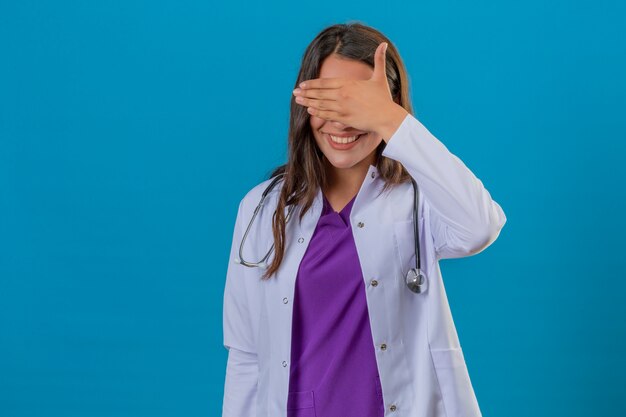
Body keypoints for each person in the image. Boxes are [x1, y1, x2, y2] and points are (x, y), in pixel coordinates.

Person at [222, 22, 506, 417]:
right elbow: (246, 355)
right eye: (330, 102)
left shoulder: (418, 201)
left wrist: (391, 121)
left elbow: (480, 226)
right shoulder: (262, 209)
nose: (341, 122)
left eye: (357, 105)